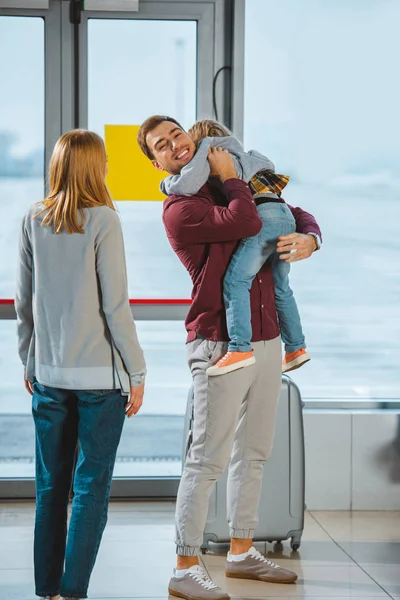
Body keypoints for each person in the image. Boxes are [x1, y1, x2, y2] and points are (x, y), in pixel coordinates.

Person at [137, 115, 321, 600]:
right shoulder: (181, 209)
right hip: (218, 343)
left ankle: (241, 553)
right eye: (161, 145)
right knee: (206, 459)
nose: (174, 144)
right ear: (155, 161)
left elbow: (288, 210)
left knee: (255, 453)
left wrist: (310, 239)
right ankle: (184, 565)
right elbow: (249, 220)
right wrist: (232, 178)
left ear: (194, 140)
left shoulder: (230, 185)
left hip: (265, 339)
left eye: (177, 135)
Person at [15, 130, 146, 600]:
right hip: (101, 382)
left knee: (50, 490)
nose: (109, 165)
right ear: (93, 167)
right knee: (89, 490)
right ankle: (72, 593)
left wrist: (30, 359)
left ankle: (47, 589)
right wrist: (138, 372)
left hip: (48, 376)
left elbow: (24, 305)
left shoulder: (33, 217)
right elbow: (116, 306)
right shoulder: (104, 220)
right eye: (105, 159)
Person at [161, 119, 313, 375]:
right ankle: (296, 347)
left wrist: (312, 238)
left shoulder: (226, 178)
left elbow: (245, 221)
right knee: (282, 287)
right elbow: (290, 210)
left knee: (236, 282)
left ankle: (240, 348)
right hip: (281, 216)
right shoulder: (249, 162)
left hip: (265, 219)